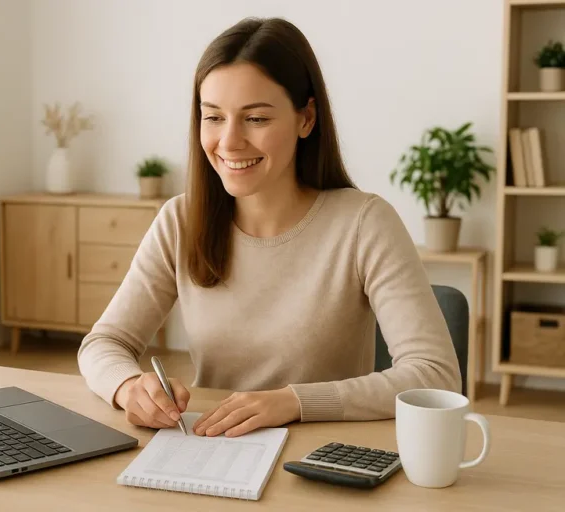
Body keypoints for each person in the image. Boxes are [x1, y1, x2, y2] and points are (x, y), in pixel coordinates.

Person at [77, 17, 460, 438]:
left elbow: (435, 375)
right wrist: (128, 388)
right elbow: (103, 344)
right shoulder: (180, 221)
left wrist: (294, 402)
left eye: (256, 119)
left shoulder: (364, 223)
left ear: (306, 119)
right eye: (214, 117)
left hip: (323, 460)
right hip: (213, 453)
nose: (229, 141)